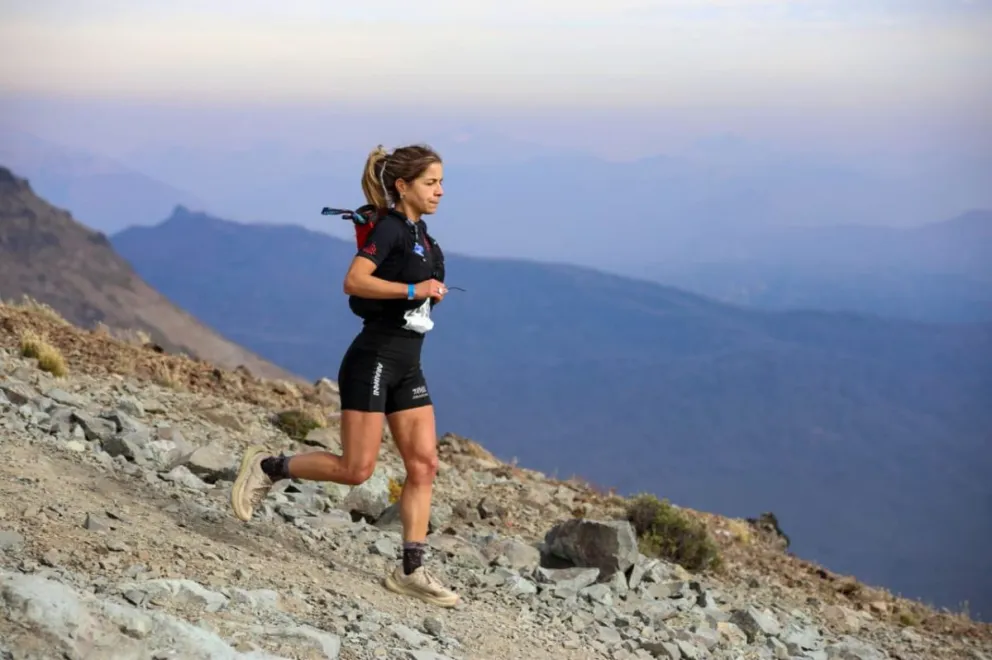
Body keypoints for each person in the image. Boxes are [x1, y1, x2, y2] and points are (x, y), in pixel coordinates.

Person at [229, 144, 459, 608]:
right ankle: (270, 466)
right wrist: (415, 288)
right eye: (431, 182)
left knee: (424, 465)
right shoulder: (391, 230)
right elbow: (354, 281)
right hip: (372, 359)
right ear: (403, 186)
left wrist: (429, 294)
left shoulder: (423, 235)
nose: (440, 190)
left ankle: (410, 570)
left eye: (440, 182)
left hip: (408, 364)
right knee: (357, 470)